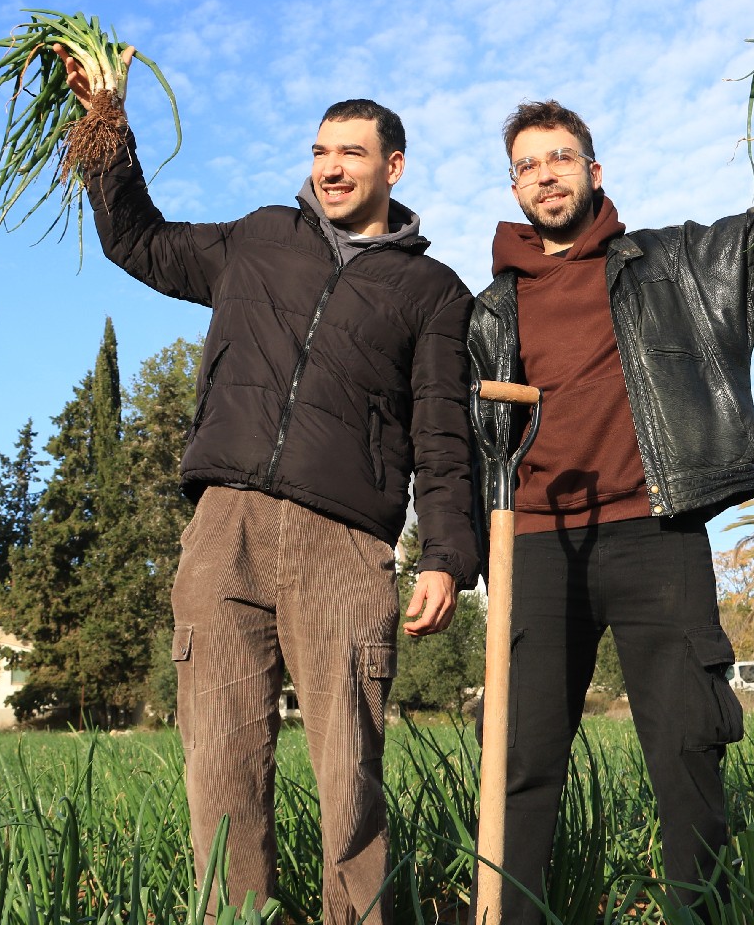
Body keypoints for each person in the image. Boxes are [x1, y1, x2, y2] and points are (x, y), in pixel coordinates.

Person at [79, 73, 478, 925]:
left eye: (352, 154)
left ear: (394, 167)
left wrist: (446, 555)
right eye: (321, 151)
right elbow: (139, 241)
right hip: (225, 525)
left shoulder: (433, 292)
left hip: (345, 540)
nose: (330, 168)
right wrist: (107, 130)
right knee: (219, 763)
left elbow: (444, 432)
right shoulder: (259, 238)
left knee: (349, 769)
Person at [467, 90, 754, 920]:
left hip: (655, 531)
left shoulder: (678, 266)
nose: (544, 175)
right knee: (519, 760)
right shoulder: (489, 312)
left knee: (687, 750)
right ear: (514, 189)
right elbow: (461, 441)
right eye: (526, 166)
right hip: (535, 548)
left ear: (594, 171)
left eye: (560, 158)